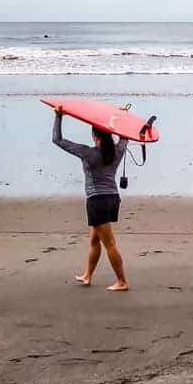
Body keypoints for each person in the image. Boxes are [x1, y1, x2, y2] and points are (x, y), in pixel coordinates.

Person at [52, 106, 129, 291]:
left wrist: (59, 116)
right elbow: (125, 136)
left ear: (95, 135)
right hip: (112, 199)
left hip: (97, 202)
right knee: (95, 240)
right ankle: (87, 275)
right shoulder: (118, 151)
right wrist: (121, 116)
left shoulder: (88, 153)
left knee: (109, 243)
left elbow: (57, 139)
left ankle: (122, 281)